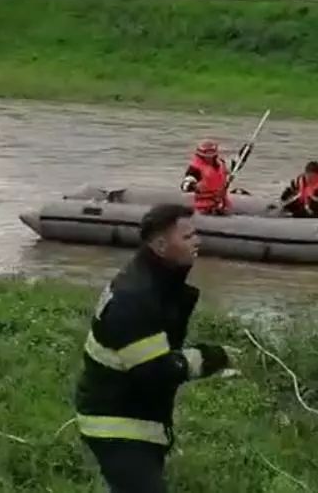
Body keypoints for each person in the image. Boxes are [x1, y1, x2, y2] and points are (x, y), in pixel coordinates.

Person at [74, 203, 237, 493]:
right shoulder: (136, 297)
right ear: (161, 245)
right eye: (187, 237)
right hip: (115, 422)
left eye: (195, 234)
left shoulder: (156, 282)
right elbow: (156, 371)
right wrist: (209, 358)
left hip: (134, 413)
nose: (197, 241)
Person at [180, 139, 237, 215]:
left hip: (221, 202)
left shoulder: (220, 163)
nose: (209, 158)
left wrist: (229, 177)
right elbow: (185, 186)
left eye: (211, 155)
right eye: (206, 156)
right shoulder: (195, 169)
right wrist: (194, 186)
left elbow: (232, 168)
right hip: (204, 207)